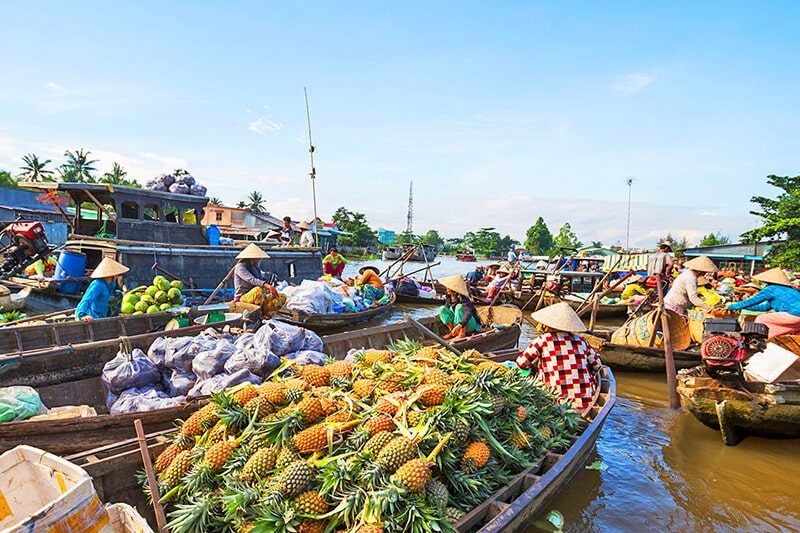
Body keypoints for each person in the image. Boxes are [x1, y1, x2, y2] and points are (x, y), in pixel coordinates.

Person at [516, 302, 602, 411]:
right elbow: (597, 366)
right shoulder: (581, 340)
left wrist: (534, 370)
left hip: (553, 404)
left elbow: (521, 363)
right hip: (583, 404)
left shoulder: (543, 340)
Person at [727, 267, 800, 337]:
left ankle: (757, 341)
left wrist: (732, 306)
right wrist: (744, 307)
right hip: (796, 316)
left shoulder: (771, 288)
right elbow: (765, 307)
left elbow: (753, 301)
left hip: (795, 314)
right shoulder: (788, 290)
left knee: (762, 318)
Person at [233, 243, 283, 315]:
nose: (258, 260)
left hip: (257, 296)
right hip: (243, 297)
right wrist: (267, 286)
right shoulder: (240, 267)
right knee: (258, 290)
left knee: (281, 297)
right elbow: (251, 279)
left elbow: (259, 279)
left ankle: (267, 313)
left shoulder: (255, 267)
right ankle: (261, 314)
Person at [75, 257, 129, 323]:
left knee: (118, 294)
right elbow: (86, 300)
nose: (118, 275)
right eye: (117, 274)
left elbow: (113, 297)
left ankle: (114, 316)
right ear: (113, 274)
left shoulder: (112, 283)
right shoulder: (97, 284)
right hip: (93, 315)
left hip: (104, 312)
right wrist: (83, 315)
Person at [437, 274, 481, 340]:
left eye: (449, 288)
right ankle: (453, 332)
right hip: (457, 323)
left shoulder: (464, 299)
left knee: (459, 307)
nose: (447, 289)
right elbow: (447, 310)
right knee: (442, 309)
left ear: (454, 290)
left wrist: (460, 325)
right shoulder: (449, 297)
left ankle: (462, 333)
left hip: (468, 324)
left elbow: (468, 313)